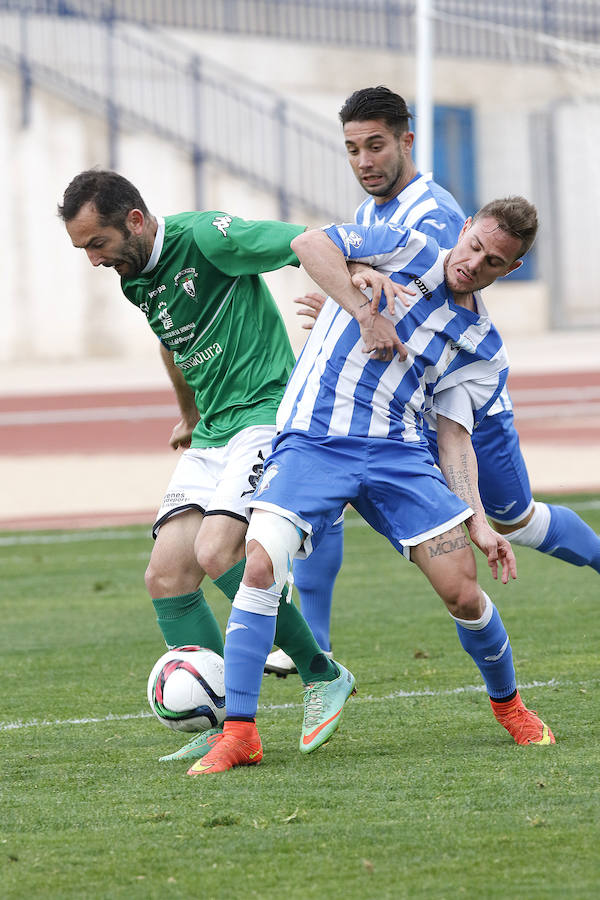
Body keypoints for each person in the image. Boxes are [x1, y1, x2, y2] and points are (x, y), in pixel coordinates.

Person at [188, 196, 556, 775]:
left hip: (399, 456)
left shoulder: (482, 347)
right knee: (259, 565)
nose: (473, 263)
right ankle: (239, 733)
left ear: (510, 270)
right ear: (463, 230)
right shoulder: (403, 244)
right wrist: (363, 306)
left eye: (493, 262)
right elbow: (310, 245)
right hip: (313, 440)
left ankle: (509, 705)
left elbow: (456, 441)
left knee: (463, 591)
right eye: (475, 245)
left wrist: (480, 525)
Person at [266, 85, 600, 676]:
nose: (364, 161)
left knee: (512, 520)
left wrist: (360, 306)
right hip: (404, 394)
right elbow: (357, 274)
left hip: (462, 402)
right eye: (352, 149)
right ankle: (314, 646)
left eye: (376, 146)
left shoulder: (434, 214)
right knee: (326, 490)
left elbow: (439, 304)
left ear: (406, 142)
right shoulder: (375, 212)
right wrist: (352, 300)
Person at [58, 169, 366, 762]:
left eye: (98, 243)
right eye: (84, 249)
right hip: (214, 430)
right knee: (166, 576)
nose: (94, 260)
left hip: (263, 412)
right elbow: (171, 342)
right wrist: (188, 412)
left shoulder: (210, 238)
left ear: (136, 221)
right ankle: (221, 722)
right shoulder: (135, 280)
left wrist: (356, 284)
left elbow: (305, 240)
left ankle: (322, 672)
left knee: (216, 552)